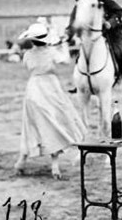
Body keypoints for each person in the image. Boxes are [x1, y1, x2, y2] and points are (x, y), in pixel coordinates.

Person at [13, 22, 87, 177]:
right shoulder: (51, 52)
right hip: (50, 88)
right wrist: (62, 45)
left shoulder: (28, 54)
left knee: (31, 125)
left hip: (34, 88)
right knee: (54, 124)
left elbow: (28, 65)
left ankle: (22, 160)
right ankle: (54, 166)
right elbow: (66, 60)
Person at [65, 0, 122, 86]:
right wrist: (68, 34)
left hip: (112, 34)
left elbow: (118, 11)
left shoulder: (103, 0)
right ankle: (80, 82)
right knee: (79, 54)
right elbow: (73, 22)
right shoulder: (79, 5)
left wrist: (110, 22)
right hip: (91, 37)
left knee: (119, 52)